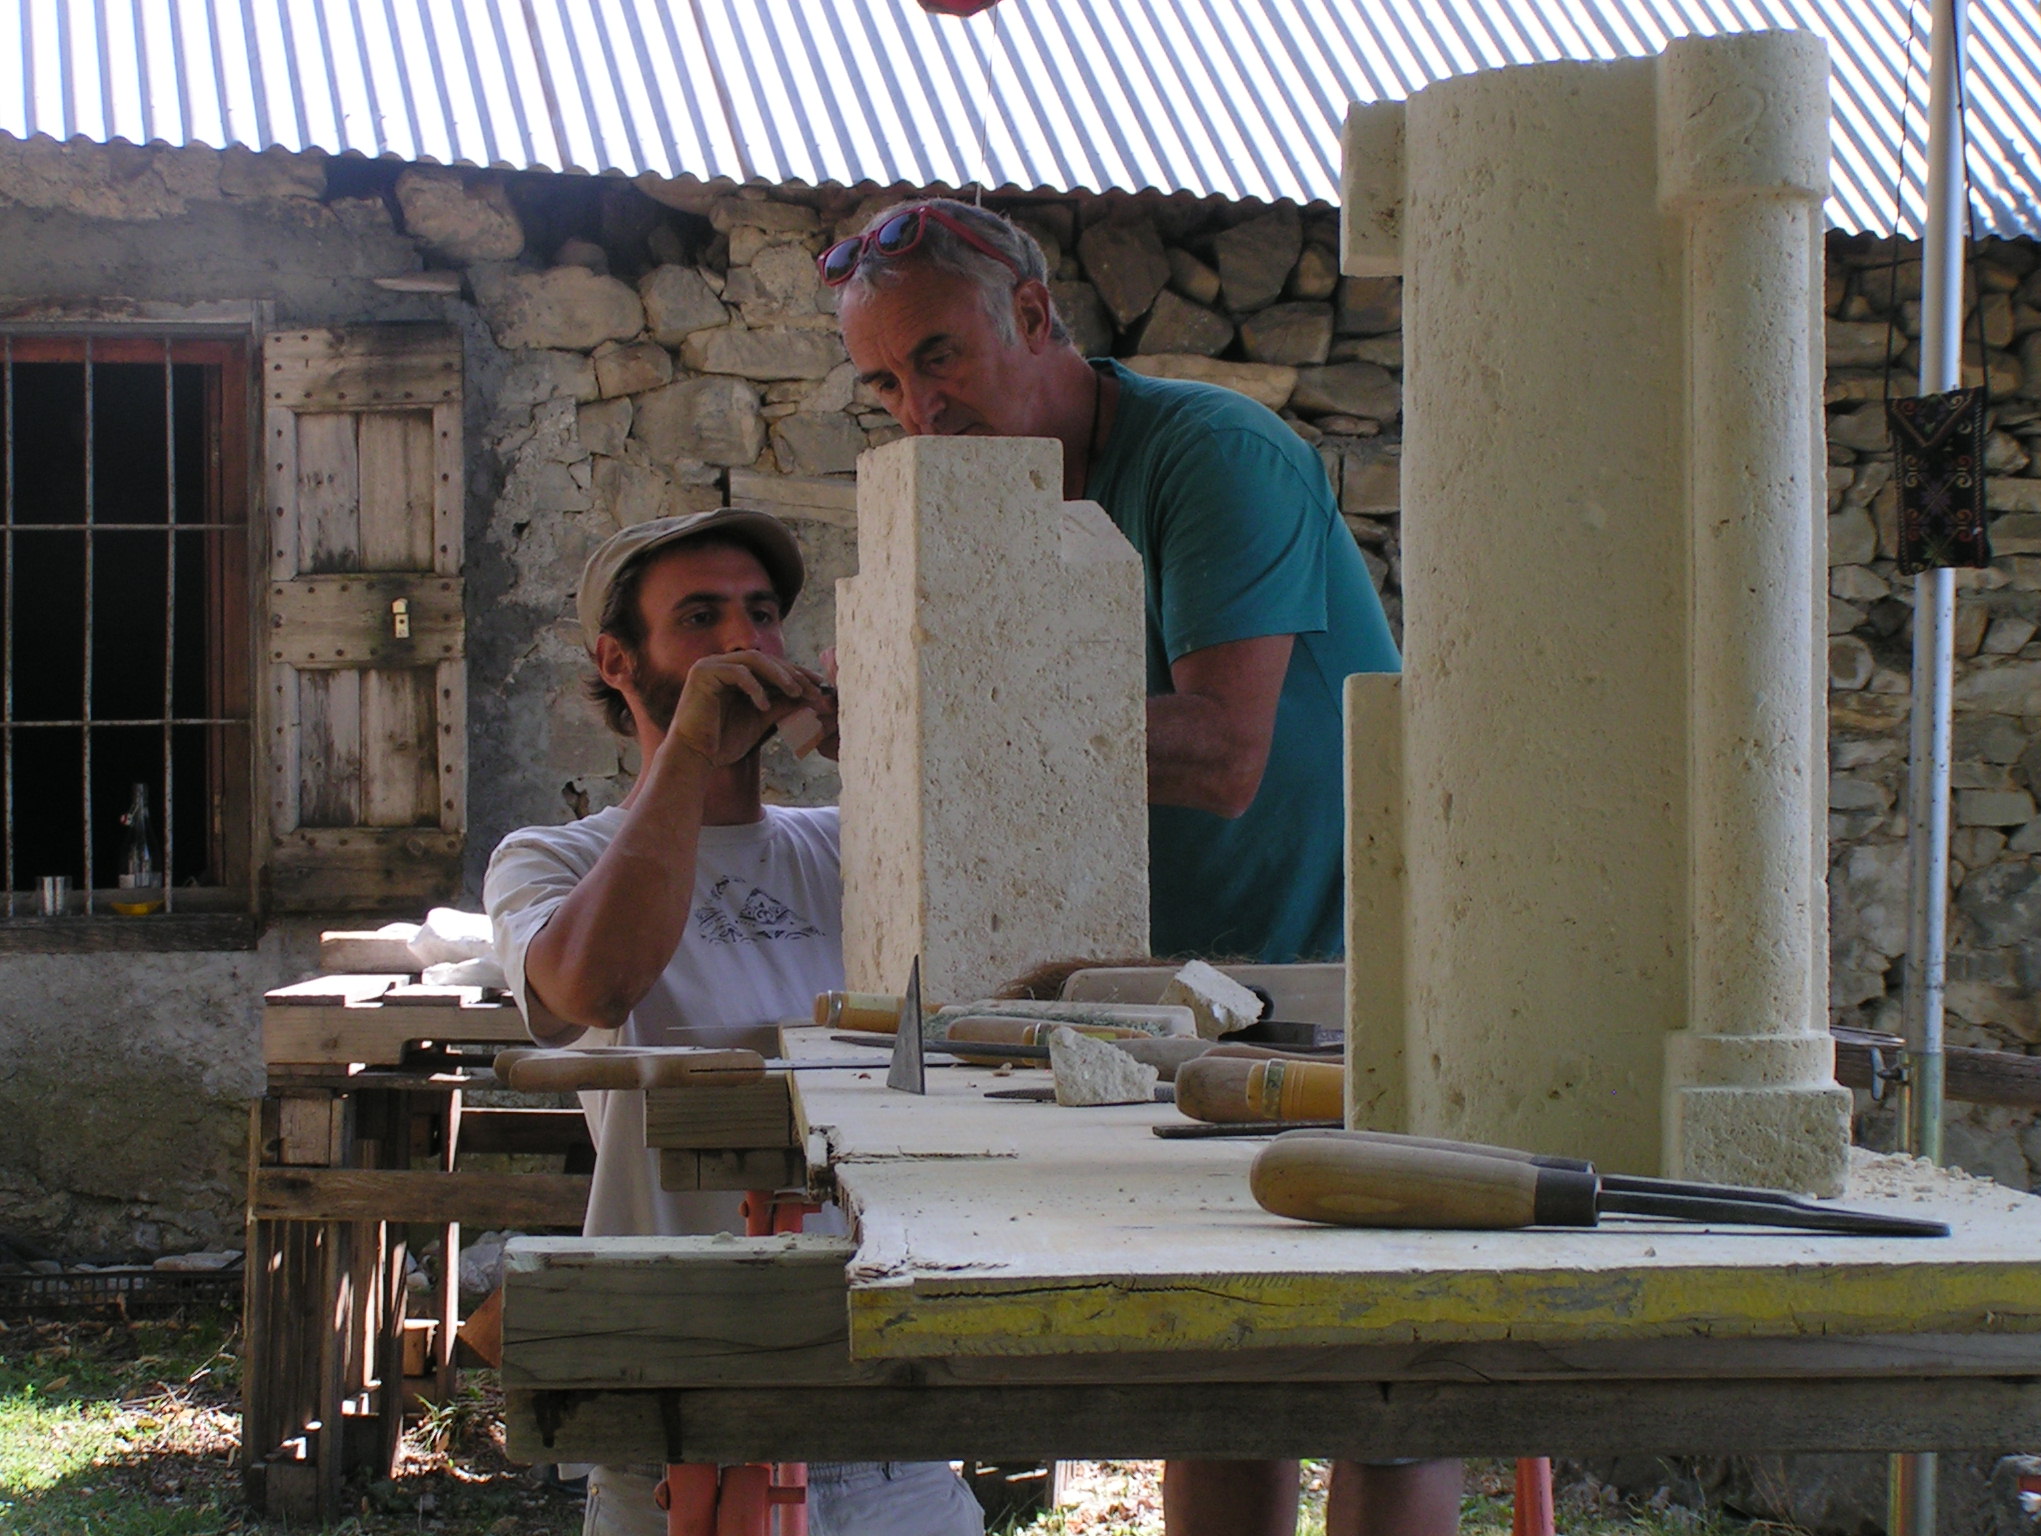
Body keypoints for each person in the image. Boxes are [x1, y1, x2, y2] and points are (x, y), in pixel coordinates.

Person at [828, 199, 1454, 1536]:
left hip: (1355, 975)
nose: (918, 409)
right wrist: (878, 698)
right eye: (884, 382)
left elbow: (1224, 751)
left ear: (1036, 319)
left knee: (1384, 1391)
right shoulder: (995, 498)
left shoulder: (1207, 454)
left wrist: (918, 705)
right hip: (1179, 994)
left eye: (937, 357)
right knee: (1217, 1369)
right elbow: (995, 749)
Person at [484, 509, 984, 1536]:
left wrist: (890, 747)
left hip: (887, 1408)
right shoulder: (550, 859)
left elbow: (1005, 971)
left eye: (761, 617)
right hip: (679, 1414)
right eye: (699, 618)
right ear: (617, 662)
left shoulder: (854, 844)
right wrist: (691, 746)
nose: (741, 645)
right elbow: (596, 985)